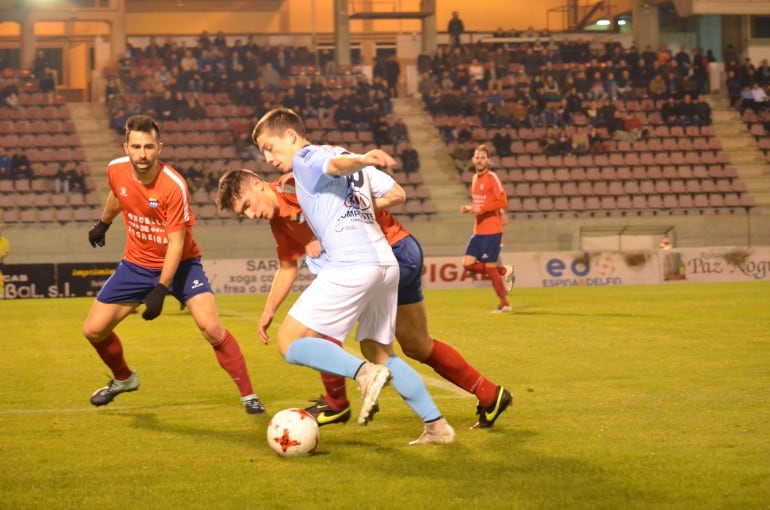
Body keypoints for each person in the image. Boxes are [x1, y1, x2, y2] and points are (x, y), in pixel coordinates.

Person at [216, 168, 512, 430]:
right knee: (417, 344)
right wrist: (269, 309)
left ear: (257, 183)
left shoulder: (296, 184)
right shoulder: (279, 220)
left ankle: (343, 405)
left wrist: (325, 231)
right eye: (243, 213)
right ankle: (489, 393)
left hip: (382, 254)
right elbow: (287, 266)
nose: (251, 214)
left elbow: (348, 194)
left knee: (326, 335)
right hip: (401, 250)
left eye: (247, 205)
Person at [250, 107, 455, 444]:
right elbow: (396, 195)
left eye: (269, 147)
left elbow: (333, 166)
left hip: (352, 264)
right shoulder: (333, 154)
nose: (268, 156)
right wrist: (357, 170)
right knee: (380, 352)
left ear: (290, 136)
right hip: (384, 263)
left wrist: (360, 159)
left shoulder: (308, 158)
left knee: (290, 343)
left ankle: (362, 374)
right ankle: (436, 426)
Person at [82, 114, 265, 415]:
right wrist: (102, 223)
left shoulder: (173, 186)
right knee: (93, 330)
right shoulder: (115, 169)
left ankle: (249, 396)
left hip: (181, 265)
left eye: (149, 147)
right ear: (125, 146)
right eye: (137, 146)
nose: (143, 154)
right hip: (135, 265)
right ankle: (124, 379)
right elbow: (119, 194)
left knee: (211, 328)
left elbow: (176, 244)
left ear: (159, 147)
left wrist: (161, 288)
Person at [460, 144, 515, 313]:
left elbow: (502, 201)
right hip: (478, 230)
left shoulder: (492, 177)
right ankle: (503, 271)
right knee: (467, 264)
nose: (479, 160)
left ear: (488, 161)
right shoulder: (475, 178)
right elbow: (479, 203)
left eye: (483, 157)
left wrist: (482, 209)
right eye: (477, 157)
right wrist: (469, 208)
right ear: (473, 159)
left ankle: (505, 304)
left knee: (489, 266)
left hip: (492, 230)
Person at [0, 221, 9, 299]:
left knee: (1, 280)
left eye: (1, 229)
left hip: (0, 263)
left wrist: (3, 256)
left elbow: (6, 252)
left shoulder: (5, 241)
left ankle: (0, 295)